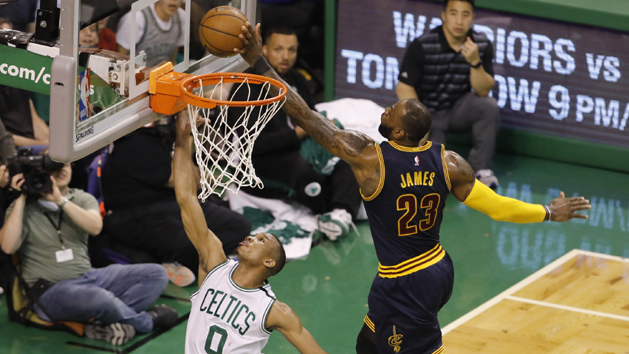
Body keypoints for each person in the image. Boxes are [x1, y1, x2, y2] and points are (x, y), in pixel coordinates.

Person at [236, 22, 592, 354]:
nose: (386, 110)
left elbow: (302, 114)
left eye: (392, 111)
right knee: (369, 344)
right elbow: (496, 206)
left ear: (401, 133)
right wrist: (546, 211)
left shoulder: (368, 158)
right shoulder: (450, 162)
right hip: (434, 267)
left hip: (407, 281)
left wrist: (258, 60)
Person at [173, 108, 328, 354]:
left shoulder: (274, 310)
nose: (250, 237)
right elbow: (186, 198)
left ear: (269, 261)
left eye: (261, 239)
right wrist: (183, 140)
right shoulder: (214, 264)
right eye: (254, 235)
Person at [0, 152, 178, 345]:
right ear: (41, 172)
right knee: (100, 298)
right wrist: (21, 198)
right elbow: (8, 247)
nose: (62, 169)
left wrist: (60, 201)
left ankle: (104, 323)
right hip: (50, 290)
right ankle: (145, 322)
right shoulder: (24, 207)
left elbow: (96, 227)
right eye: (54, 167)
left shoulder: (80, 198)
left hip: (90, 278)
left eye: (66, 165)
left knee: (156, 273)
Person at [228, 26, 361, 241]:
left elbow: (313, 116)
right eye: (279, 49)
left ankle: (340, 213)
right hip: (260, 160)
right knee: (302, 170)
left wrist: (326, 126)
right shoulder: (247, 87)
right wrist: (299, 133)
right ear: (264, 50)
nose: (286, 56)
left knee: (348, 155)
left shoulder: (297, 80)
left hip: (299, 149)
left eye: (291, 50)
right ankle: (333, 209)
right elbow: (253, 146)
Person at [101, 116, 251, 286]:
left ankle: (192, 262)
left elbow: (196, 182)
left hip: (171, 204)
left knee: (240, 226)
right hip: (135, 215)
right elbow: (185, 182)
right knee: (188, 243)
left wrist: (187, 139)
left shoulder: (161, 137)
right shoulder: (136, 144)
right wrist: (184, 140)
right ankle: (178, 261)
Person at [396, 0, 500, 188]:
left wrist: (475, 62)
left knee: (488, 106)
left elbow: (483, 90)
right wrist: (419, 121)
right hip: (428, 113)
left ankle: (480, 169)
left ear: (473, 18)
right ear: (444, 15)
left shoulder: (481, 44)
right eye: (453, 13)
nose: (459, 21)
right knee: (434, 176)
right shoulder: (422, 44)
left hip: (457, 110)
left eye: (465, 15)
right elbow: (404, 87)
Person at [116, 0, 185, 68]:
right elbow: (121, 56)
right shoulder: (137, 18)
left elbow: (174, 53)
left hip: (163, 75)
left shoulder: (181, 17)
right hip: (137, 75)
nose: (174, 0)